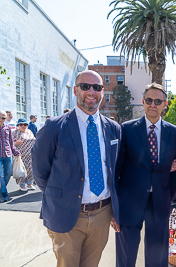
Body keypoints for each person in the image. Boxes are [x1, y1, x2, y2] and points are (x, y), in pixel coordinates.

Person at [31, 70, 121, 267]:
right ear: (75, 90)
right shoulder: (54, 127)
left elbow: (115, 170)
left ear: (102, 92)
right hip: (66, 214)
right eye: (85, 86)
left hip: (101, 213)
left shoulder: (113, 128)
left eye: (96, 87)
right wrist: (59, 197)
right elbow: (39, 170)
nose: (91, 91)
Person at [115, 83, 176, 267]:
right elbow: (118, 168)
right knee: (126, 257)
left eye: (158, 101)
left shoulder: (175, 133)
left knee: (157, 259)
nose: (153, 104)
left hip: (159, 202)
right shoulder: (127, 129)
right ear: (143, 102)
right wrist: (115, 205)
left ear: (165, 104)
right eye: (149, 100)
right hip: (129, 203)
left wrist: (168, 195)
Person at [0, 110, 20, 202]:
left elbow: (11, 142)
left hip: (7, 154)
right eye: (0, 117)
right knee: (1, 176)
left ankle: (1, 189)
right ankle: (4, 194)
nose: (1, 119)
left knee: (8, 173)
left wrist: (15, 152)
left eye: (3, 117)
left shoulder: (7, 128)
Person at [12, 118, 36, 191]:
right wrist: (15, 143)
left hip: (31, 154)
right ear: (18, 125)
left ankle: (29, 183)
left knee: (31, 169)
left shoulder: (29, 131)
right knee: (22, 170)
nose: (23, 126)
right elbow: (10, 144)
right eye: (21, 124)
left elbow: (34, 140)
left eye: (25, 124)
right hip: (21, 155)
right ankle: (22, 185)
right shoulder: (14, 132)